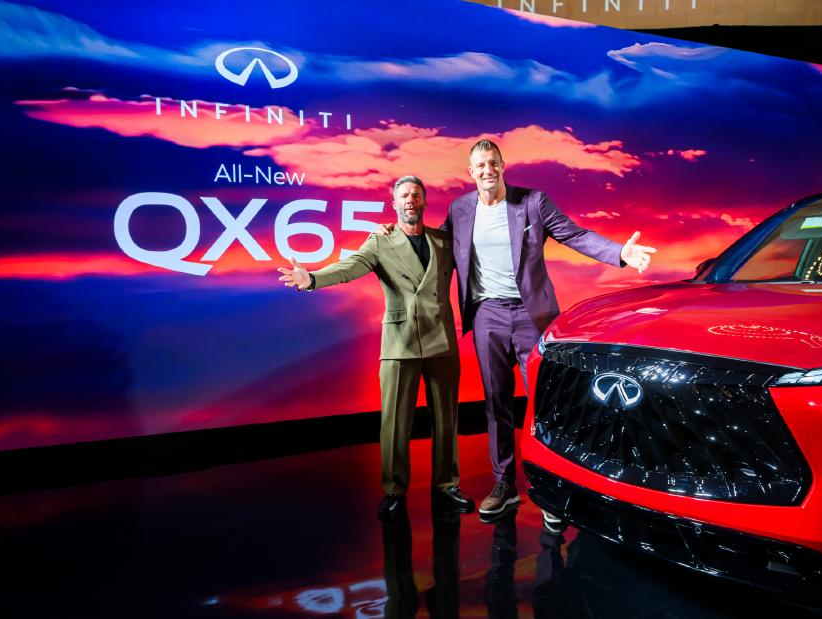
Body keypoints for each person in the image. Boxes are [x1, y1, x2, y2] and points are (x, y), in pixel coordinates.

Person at [379, 140, 656, 516]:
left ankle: (554, 487)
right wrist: (395, 232)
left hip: (531, 314)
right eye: (479, 166)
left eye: (492, 163)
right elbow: (434, 243)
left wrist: (620, 253)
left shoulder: (533, 202)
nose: (486, 170)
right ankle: (504, 484)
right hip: (487, 314)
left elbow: (573, 234)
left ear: (503, 165)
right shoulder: (460, 210)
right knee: (496, 402)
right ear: (471, 172)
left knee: (545, 402)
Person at [278, 175, 474, 520]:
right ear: (394, 203)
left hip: (441, 340)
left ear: (425, 202)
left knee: (446, 420)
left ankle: (447, 486)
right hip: (400, 342)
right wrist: (311, 279)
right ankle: (394, 490)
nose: (410, 199)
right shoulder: (380, 242)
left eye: (416, 194)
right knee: (395, 422)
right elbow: (349, 267)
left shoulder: (444, 241)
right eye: (403, 196)